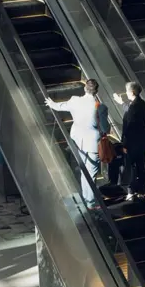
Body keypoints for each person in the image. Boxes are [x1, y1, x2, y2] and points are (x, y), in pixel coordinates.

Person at [45, 79, 110, 207]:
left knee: (83, 170)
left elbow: (59, 107)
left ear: (85, 88)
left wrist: (50, 103)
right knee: (91, 173)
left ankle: (86, 198)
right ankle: (89, 202)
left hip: (77, 140)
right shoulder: (101, 107)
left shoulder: (75, 100)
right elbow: (105, 128)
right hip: (92, 143)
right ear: (96, 91)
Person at [113, 82, 145, 201]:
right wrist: (122, 102)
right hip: (142, 140)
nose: (126, 93)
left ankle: (131, 191)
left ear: (132, 92)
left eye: (127, 91)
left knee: (130, 166)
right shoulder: (140, 103)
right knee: (140, 165)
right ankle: (142, 190)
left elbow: (129, 125)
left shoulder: (134, 107)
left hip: (133, 142)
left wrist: (125, 144)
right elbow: (130, 110)